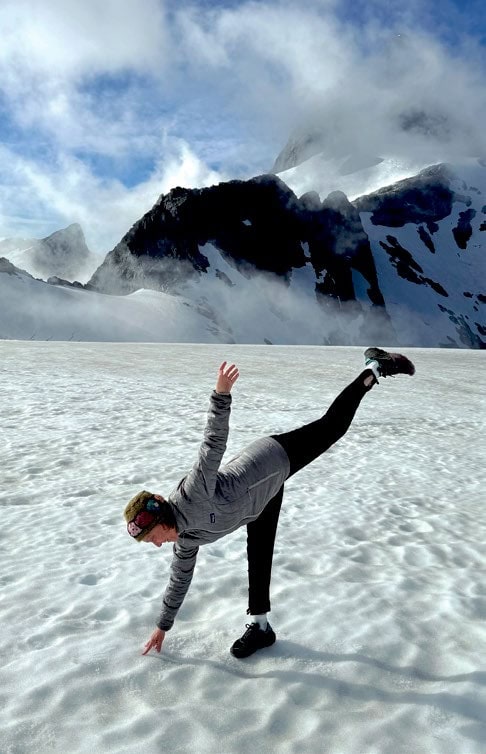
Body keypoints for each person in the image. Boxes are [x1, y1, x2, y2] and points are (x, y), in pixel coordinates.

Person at [124, 347, 415, 659]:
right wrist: (162, 627)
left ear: (159, 521)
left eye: (151, 537)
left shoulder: (192, 494)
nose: (155, 545)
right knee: (259, 554)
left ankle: (374, 368)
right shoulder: (184, 540)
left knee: (332, 426)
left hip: (272, 460)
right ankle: (260, 627)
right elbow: (179, 580)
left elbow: (212, 446)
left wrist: (221, 395)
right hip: (258, 504)